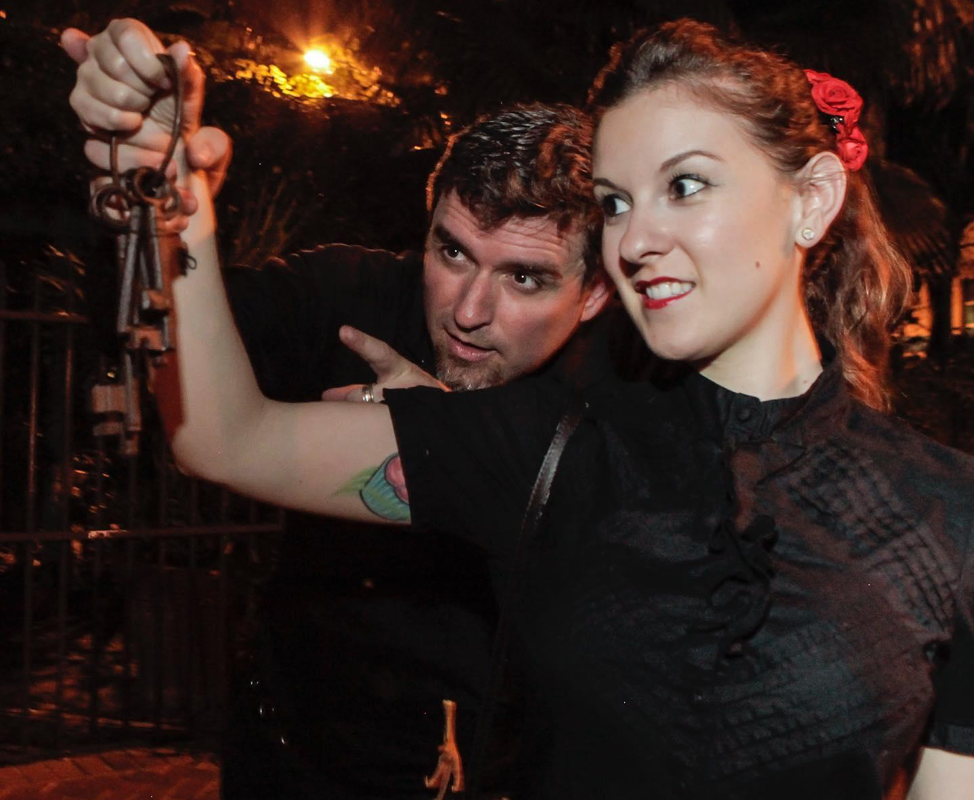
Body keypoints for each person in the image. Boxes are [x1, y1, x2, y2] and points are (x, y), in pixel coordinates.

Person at [68, 16, 974, 800]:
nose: (638, 238)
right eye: (616, 203)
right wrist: (176, 215)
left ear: (810, 200)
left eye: (685, 185)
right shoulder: (557, 448)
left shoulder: (951, 514)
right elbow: (227, 436)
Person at [62, 19, 611, 800]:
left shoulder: (620, 405)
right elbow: (151, 341)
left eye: (525, 279)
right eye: (451, 252)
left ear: (593, 293)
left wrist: (451, 438)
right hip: (288, 759)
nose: (468, 309)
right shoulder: (347, 297)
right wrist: (151, 200)